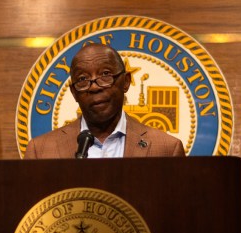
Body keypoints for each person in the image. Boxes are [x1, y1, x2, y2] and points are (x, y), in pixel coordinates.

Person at [24, 43, 186, 159]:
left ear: (126, 81)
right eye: (82, 78)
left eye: (105, 74)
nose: (94, 87)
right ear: (74, 93)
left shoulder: (167, 149)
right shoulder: (40, 151)